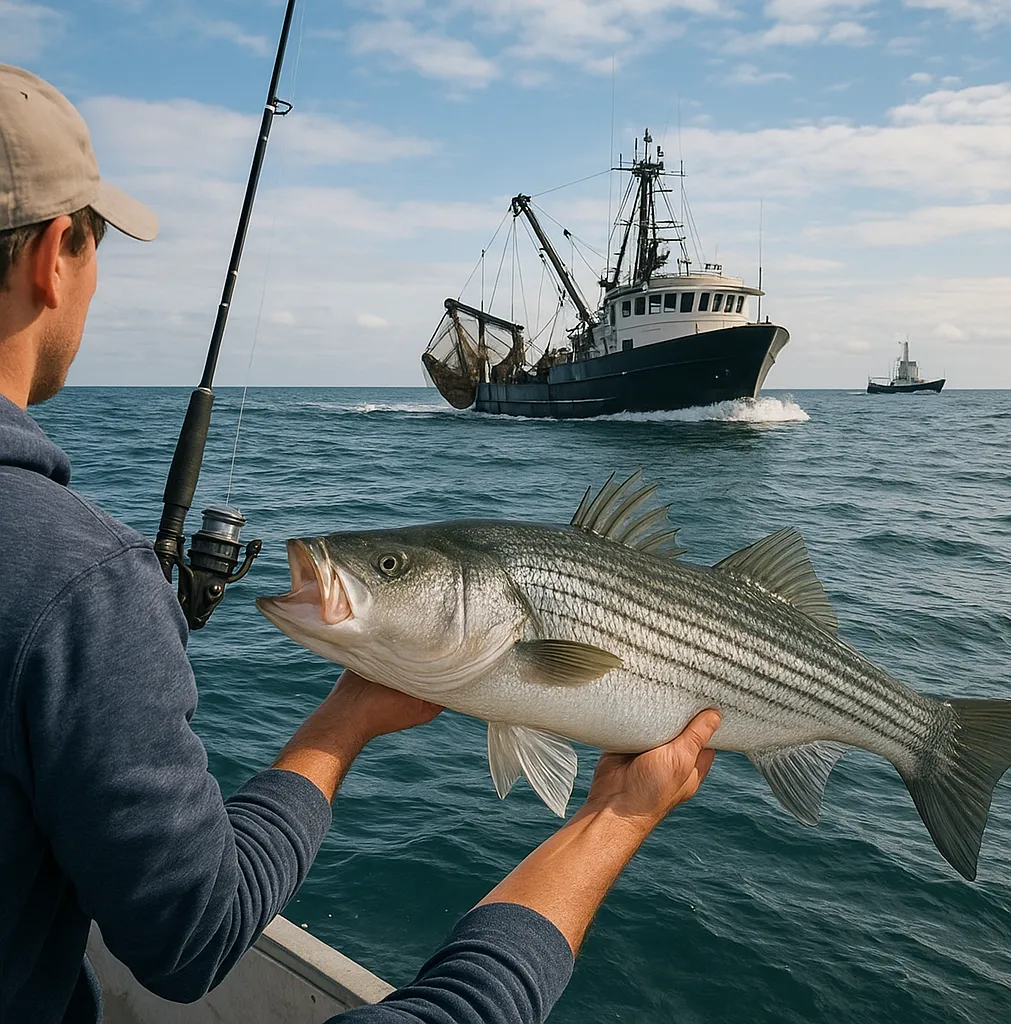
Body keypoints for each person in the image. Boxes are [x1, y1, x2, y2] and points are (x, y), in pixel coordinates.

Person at [0, 62, 720, 1024]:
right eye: (98, 249)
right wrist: (346, 724)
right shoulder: (81, 587)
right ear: (57, 254)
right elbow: (190, 941)